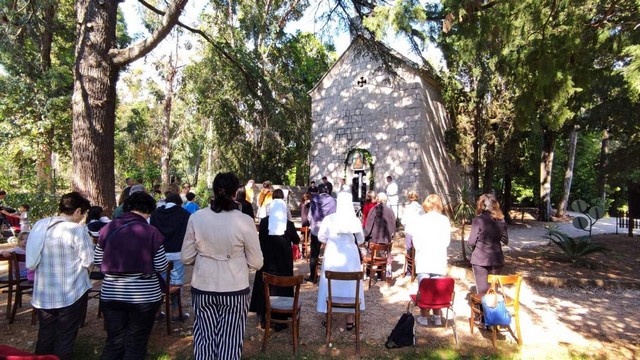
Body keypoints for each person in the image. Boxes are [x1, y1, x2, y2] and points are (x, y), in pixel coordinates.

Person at [181, 172, 263, 360]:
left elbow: (186, 257)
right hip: (234, 287)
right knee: (231, 340)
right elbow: (257, 262)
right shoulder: (244, 220)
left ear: (214, 191)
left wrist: (206, 256)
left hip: (203, 286)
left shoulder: (197, 217)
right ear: (236, 192)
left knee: (204, 337)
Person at [95, 191, 167, 359]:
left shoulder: (107, 228)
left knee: (114, 341)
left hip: (112, 293)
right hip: (144, 296)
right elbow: (161, 265)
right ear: (148, 211)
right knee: (137, 342)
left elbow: (98, 259)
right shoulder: (151, 232)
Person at [26, 192, 92, 360]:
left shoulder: (41, 225)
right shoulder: (76, 229)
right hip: (71, 292)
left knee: (46, 333)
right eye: (83, 214)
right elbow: (88, 260)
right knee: (66, 336)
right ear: (77, 211)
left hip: (44, 292)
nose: (82, 218)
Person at [316, 192, 365, 330]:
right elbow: (360, 240)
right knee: (350, 284)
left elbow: (321, 236)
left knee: (330, 282)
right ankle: (349, 319)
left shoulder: (330, 219)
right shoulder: (354, 220)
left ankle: (328, 316)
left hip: (333, 253)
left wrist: (332, 241)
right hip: (350, 254)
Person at [249, 198, 299, 329]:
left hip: (267, 260)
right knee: (281, 288)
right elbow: (296, 239)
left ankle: (264, 315)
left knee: (264, 285)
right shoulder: (288, 225)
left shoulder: (265, 222)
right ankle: (280, 317)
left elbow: (260, 238)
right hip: (283, 262)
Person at [405, 194, 451, 326]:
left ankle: (424, 316)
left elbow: (416, 240)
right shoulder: (444, 220)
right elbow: (447, 241)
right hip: (438, 257)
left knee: (424, 288)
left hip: (424, 257)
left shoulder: (421, 220)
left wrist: (419, 250)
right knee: (438, 288)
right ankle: (437, 316)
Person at [150, 192, 191, 321]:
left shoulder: (155, 213)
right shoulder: (184, 214)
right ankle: (175, 312)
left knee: (158, 283)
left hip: (159, 252)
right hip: (177, 252)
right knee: (176, 283)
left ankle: (157, 312)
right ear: (179, 202)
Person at [468, 193, 509, 294]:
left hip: (480, 260)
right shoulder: (501, 220)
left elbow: (471, 242)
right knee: (493, 291)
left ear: (481, 205)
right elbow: (505, 240)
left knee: (482, 292)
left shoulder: (478, 220)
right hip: (497, 259)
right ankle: (493, 309)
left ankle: (483, 310)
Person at [306, 186, 336, 283]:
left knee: (314, 255)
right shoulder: (333, 201)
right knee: (330, 253)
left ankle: (312, 277)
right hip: (329, 230)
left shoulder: (314, 200)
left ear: (319, 191)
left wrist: (313, 224)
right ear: (328, 192)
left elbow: (310, 216)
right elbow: (335, 214)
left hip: (316, 229)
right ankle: (330, 276)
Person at [364, 192, 396, 280]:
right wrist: (391, 236)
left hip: (374, 238)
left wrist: (366, 235)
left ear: (378, 199)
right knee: (382, 253)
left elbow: (369, 225)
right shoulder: (390, 211)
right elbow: (393, 225)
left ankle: (367, 272)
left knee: (370, 252)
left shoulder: (374, 209)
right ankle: (379, 273)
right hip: (386, 238)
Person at [401, 191, 423, 256]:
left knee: (409, 250)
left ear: (409, 198)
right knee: (418, 250)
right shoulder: (421, 208)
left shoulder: (408, 208)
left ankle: (410, 265)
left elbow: (403, 221)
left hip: (410, 230)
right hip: (418, 231)